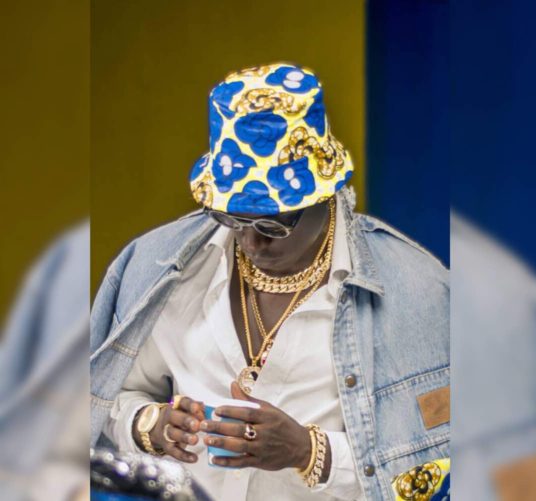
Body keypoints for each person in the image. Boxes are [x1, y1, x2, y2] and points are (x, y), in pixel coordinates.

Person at [91, 63, 450, 501]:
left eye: (273, 224)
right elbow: (105, 398)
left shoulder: (416, 290)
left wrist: (308, 452)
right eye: (233, 218)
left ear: (325, 194)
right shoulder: (164, 268)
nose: (250, 242)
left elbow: (439, 464)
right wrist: (150, 425)